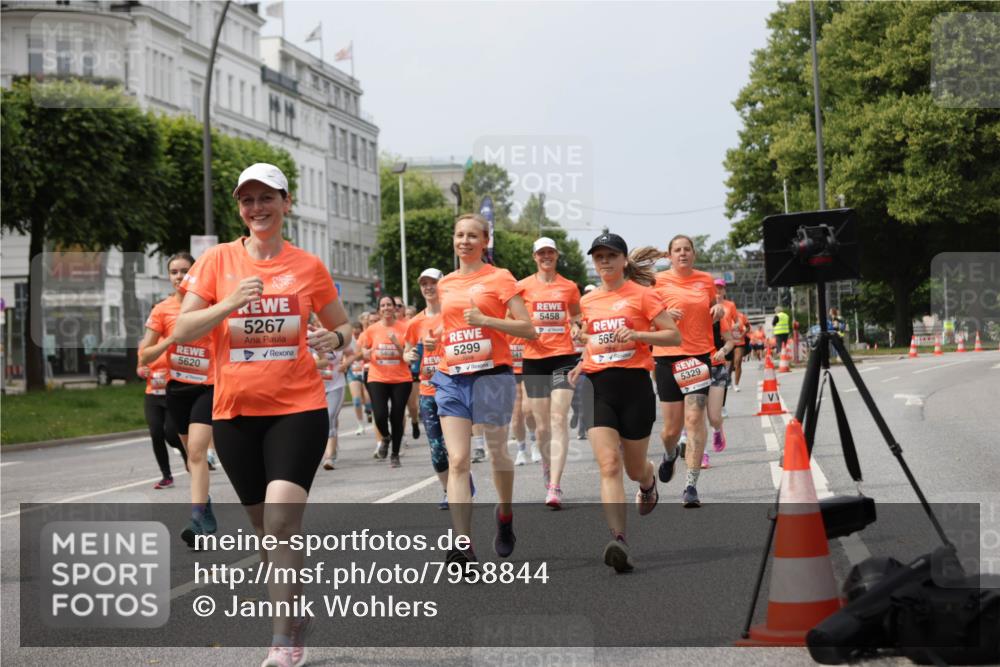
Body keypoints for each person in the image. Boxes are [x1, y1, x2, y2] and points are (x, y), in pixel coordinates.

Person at [173, 163, 352, 667]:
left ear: (285, 203)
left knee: (279, 523)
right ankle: (294, 611)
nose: (257, 208)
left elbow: (344, 328)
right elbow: (184, 329)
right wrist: (228, 302)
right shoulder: (215, 262)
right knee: (267, 533)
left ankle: (282, 639)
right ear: (239, 208)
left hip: (298, 408)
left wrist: (332, 338)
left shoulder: (308, 266)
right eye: (247, 200)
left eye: (266, 197)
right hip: (234, 414)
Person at [567, 233, 680, 572]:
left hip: (635, 388)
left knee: (633, 468)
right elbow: (593, 340)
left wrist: (640, 335)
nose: (604, 262)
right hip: (598, 387)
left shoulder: (643, 296)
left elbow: (673, 335)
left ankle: (648, 482)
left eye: (611, 255)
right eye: (598, 256)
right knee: (608, 465)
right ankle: (619, 538)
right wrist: (581, 359)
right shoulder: (587, 303)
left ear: (624, 260)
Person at [430, 213, 535, 566]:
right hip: (451, 377)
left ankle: (505, 514)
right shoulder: (444, 284)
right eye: (459, 235)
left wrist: (487, 320)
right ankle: (463, 545)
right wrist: (439, 340)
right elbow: (453, 328)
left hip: (491, 377)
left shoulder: (500, 278)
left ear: (485, 241)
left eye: (472, 235)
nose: (465, 241)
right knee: (458, 460)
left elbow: (528, 329)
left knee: (497, 455)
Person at [139, 251, 218, 545]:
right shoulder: (162, 311)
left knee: (197, 451)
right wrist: (172, 338)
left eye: (185, 271)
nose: (180, 276)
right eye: (174, 271)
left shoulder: (211, 306)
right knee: (190, 457)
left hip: (208, 387)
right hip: (177, 390)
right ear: (168, 276)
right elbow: (145, 354)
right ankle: (205, 506)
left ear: (195, 274)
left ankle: (197, 520)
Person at [652, 235, 725, 509]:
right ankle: (670, 454)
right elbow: (645, 316)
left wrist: (717, 307)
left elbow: (710, 307)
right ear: (669, 255)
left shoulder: (705, 280)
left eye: (687, 249)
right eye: (677, 250)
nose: (682, 254)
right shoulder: (657, 281)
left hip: (696, 356)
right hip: (667, 356)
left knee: (694, 419)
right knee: (670, 430)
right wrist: (663, 314)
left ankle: (691, 485)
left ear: (693, 254)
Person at [516, 237, 583, 509]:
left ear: (556, 256)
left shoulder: (569, 287)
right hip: (534, 360)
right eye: (541, 253)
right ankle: (546, 464)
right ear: (534, 257)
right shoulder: (522, 287)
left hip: (563, 358)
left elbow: (578, 318)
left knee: (558, 419)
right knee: (542, 427)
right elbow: (513, 320)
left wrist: (578, 328)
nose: (546, 256)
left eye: (550, 252)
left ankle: (555, 485)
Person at [403, 269, 452, 506]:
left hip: (452, 388)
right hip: (427, 391)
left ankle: (459, 485)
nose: (428, 287)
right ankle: (447, 490)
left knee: (455, 448)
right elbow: (407, 350)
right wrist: (408, 354)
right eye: (424, 283)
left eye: (433, 282)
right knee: (436, 449)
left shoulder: (452, 315)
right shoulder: (415, 322)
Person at [355, 296, 413, 467]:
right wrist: (363, 354)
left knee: (396, 416)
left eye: (389, 305)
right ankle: (385, 437)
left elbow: (407, 357)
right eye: (383, 305)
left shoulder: (405, 328)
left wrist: (396, 343)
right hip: (377, 378)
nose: (386, 308)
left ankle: (395, 454)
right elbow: (359, 350)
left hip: (401, 378)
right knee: (379, 415)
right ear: (379, 309)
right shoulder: (372, 330)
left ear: (395, 308)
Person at [137, 342, 187, 488]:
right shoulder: (145, 344)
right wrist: (141, 372)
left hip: (172, 394)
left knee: (171, 435)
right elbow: (140, 367)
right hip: (152, 395)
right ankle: (166, 476)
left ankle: (188, 456)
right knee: (156, 433)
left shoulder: (173, 341)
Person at [312, 313, 353, 471]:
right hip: (317, 387)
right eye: (318, 319)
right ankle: (331, 446)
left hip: (336, 384)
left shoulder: (337, 337)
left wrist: (345, 364)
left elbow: (351, 354)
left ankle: (329, 457)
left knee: (329, 417)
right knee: (325, 421)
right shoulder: (309, 336)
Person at [394, 295, 422, 442]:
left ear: (404, 309)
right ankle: (401, 436)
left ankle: (415, 421)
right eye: (395, 305)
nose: (396, 308)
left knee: (412, 405)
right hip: (394, 372)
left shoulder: (410, 325)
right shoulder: (386, 326)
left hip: (411, 369)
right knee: (399, 407)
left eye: (399, 306)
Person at [345, 322, 369, 436]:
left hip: (366, 371)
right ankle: (360, 425)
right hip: (353, 372)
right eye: (354, 331)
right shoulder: (347, 341)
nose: (356, 333)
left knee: (368, 399)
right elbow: (343, 355)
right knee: (356, 400)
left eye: (358, 331)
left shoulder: (366, 338)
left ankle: (369, 411)